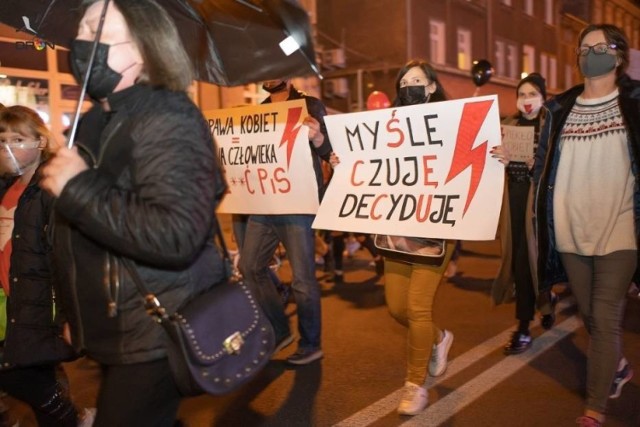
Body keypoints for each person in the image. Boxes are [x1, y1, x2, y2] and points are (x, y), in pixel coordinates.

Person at [38, 1, 225, 425]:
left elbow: (176, 234)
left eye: (101, 34)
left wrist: (78, 187)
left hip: (156, 328)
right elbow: (75, 237)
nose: (83, 42)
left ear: (144, 49)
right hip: (114, 325)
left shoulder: (168, 116)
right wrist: (74, 315)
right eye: (83, 31)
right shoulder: (90, 122)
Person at [533, 24, 639, 427]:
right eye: (584, 47)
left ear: (619, 55)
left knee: (605, 315)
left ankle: (594, 409)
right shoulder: (558, 109)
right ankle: (618, 367)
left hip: (621, 227)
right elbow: (543, 162)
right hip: (570, 231)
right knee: (592, 317)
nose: (591, 52)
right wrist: (514, 160)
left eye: (601, 46)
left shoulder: (635, 104)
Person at [0, 105, 94, 426]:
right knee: (35, 381)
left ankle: (74, 415)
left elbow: (66, 256)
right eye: (2, 140)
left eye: (18, 138)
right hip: (13, 301)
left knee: (20, 375)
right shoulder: (7, 187)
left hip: (41, 305)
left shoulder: (49, 189)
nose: (8, 147)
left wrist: (71, 316)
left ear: (39, 142)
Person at [239, 79, 333, 365]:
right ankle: (279, 330)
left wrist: (317, 138)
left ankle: (310, 343)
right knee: (250, 266)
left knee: (303, 278)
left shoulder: (310, 105)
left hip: (298, 204)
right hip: (266, 202)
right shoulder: (261, 111)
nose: (268, 77)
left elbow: (329, 150)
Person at [383, 59, 457, 416]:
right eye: (403, 81)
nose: (408, 86)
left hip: (436, 230)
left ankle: (414, 384)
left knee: (417, 307)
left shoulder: (454, 124)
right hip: (396, 231)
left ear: (430, 87)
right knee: (397, 308)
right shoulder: (384, 129)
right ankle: (440, 338)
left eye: (416, 80)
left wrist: (497, 159)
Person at [490, 73, 558, 355]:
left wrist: (538, 165)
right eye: (522, 95)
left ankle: (522, 327)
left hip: (537, 206)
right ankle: (546, 299)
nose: (527, 100)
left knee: (525, 260)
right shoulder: (506, 126)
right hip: (513, 203)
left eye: (533, 94)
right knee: (519, 258)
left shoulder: (550, 129)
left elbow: (559, 170)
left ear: (543, 98)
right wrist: (500, 159)